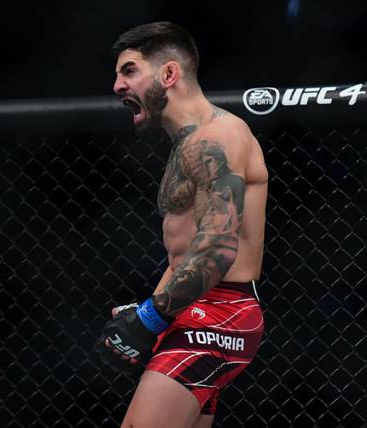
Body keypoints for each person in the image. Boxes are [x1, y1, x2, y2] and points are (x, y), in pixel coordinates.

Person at [99, 21, 268, 428]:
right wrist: (147, 311)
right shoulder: (185, 147)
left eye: (130, 71)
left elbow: (217, 248)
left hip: (220, 312)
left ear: (169, 74)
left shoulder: (220, 136)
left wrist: (150, 318)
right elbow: (184, 258)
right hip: (196, 309)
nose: (118, 85)